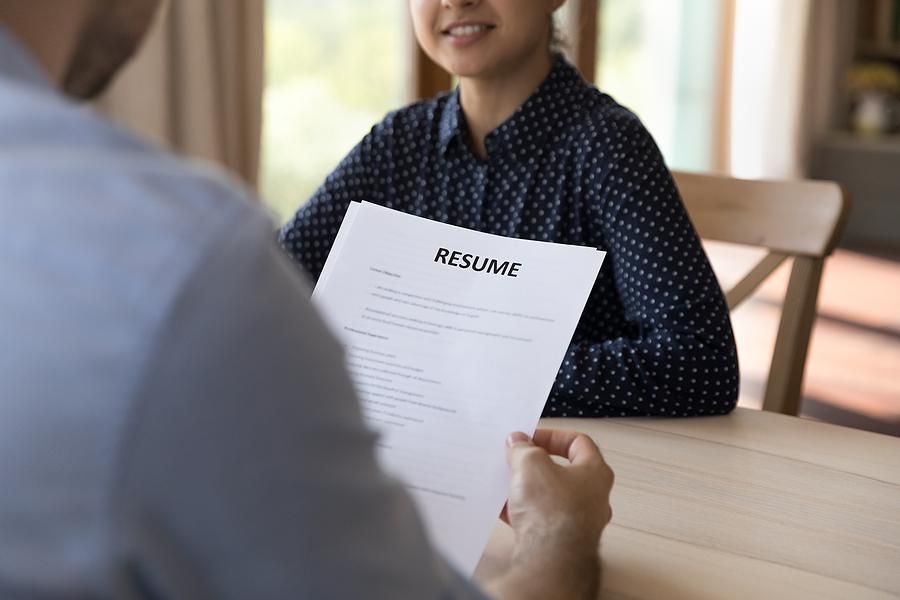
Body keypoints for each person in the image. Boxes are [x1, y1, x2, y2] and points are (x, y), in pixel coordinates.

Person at [0, 1, 614, 599]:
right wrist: (561, 536)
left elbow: (698, 356)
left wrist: (493, 377)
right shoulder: (194, 266)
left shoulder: (604, 144)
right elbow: (289, 267)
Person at [279, 0, 741, 419]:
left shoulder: (608, 147)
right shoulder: (399, 144)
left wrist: (473, 369)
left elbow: (701, 363)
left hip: (579, 478)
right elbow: (267, 283)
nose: (456, 2)